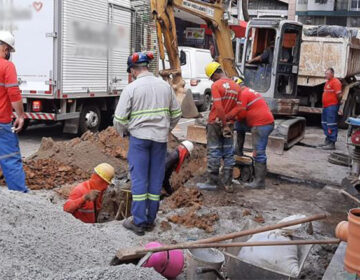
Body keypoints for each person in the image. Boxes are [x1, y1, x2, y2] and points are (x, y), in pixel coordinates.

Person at [113, 52, 181, 236]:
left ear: (134, 70)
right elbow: (176, 114)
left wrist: (124, 131)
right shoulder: (165, 87)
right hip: (159, 140)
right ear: (147, 67)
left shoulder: (131, 88)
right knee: (155, 179)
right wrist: (165, 129)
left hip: (139, 140)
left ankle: (139, 221)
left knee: (139, 180)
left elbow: (119, 119)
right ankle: (150, 219)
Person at [197, 62, 242, 193]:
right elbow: (239, 107)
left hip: (216, 123)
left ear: (215, 74)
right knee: (228, 152)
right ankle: (228, 183)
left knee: (214, 151)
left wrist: (223, 122)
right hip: (230, 123)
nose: (211, 80)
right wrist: (228, 121)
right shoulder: (236, 86)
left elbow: (218, 106)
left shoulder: (216, 85)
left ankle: (212, 182)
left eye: (211, 77)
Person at [0, 31, 28, 193]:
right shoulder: (6, 66)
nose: (8, 54)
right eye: (8, 50)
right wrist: (21, 116)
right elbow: (13, 94)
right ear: (4, 48)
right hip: (2, 122)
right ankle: (21, 198)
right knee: (10, 159)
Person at [234, 81, 274, 189]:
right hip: (264, 122)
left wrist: (231, 117)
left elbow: (241, 114)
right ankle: (238, 150)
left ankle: (259, 182)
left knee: (259, 152)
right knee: (239, 125)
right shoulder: (248, 91)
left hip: (261, 125)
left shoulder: (242, 94)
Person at [318, 68, 342, 150]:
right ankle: (328, 140)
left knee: (331, 124)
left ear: (332, 74)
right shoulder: (328, 82)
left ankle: (332, 142)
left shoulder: (336, 82)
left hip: (332, 106)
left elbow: (339, 95)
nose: (326, 75)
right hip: (326, 106)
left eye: (327, 73)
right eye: (325, 73)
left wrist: (337, 104)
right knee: (324, 123)